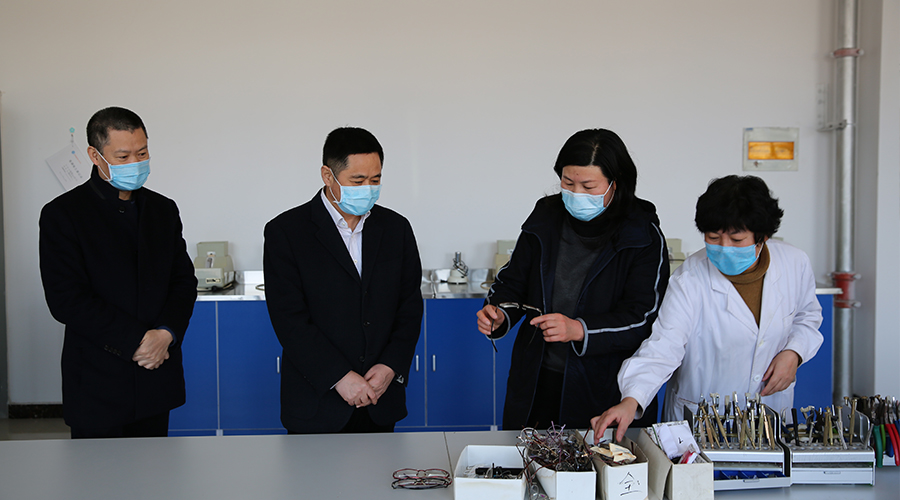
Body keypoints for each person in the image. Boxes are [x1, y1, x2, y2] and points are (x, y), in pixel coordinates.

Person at [591, 175, 824, 442]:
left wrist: (794, 353)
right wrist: (632, 399)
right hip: (699, 421)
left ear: (762, 237)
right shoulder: (690, 278)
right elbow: (664, 346)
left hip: (768, 414)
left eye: (737, 240)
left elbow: (807, 317)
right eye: (713, 237)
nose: (724, 248)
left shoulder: (794, 263)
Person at [476, 128, 669, 430]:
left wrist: (579, 329)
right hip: (538, 380)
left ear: (615, 183)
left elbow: (642, 317)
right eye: (568, 183)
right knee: (529, 456)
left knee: (598, 459)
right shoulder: (546, 217)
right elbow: (512, 281)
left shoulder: (642, 235)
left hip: (604, 386)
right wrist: (500, 313)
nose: (576, 194)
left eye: (589, 186)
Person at [39, 107, 197, 438]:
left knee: (156, 469)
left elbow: (183, 282)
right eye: (123, 156)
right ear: (95, 156)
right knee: (98, 470)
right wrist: (137, 341)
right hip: (98, 382)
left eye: (142, 153)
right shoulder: (63, 214)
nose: (135, 163)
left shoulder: (163, 210)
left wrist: (165, 334)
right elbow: (66, 299)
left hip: (156, 374)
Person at [264, 127, 423, 434]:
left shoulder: (396, 229)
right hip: (317, 404)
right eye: (358, 181)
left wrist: (390, 367)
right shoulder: (287, 231)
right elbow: (289, 319)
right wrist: (338, 376)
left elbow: (409, 307)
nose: (368, 189)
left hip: (378, 398)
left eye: (375, 180)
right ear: (328, 175)